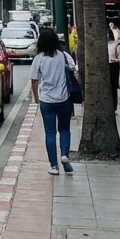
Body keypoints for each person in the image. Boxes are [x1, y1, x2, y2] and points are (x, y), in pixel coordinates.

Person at [31, 29, 78, 175]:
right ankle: (64, 155)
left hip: (46, 100)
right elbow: (74, 70)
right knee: (64, 129)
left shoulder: (38, 59)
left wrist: (36, 99)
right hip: (64, 99)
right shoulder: (64, 56)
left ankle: (53, 165)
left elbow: (34, 81)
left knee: (50, 132)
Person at [108, 23, 120, 112]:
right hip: (108, 65)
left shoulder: (115, 44)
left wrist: (117, 60)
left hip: (113, 65)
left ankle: (114, 106)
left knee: (113, 87)